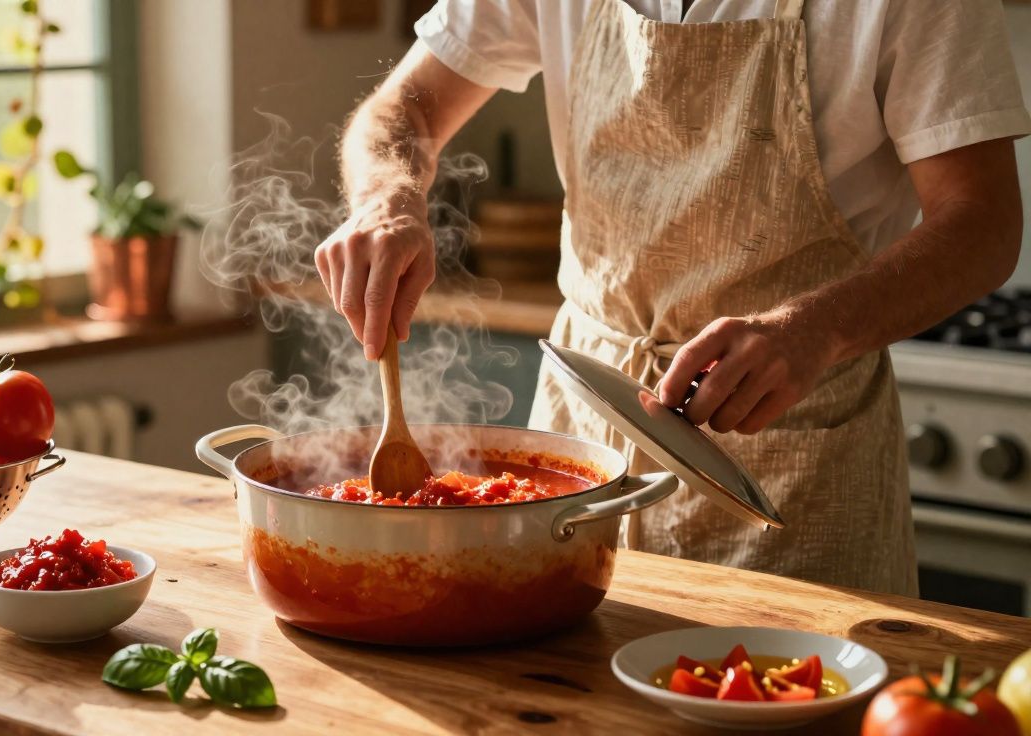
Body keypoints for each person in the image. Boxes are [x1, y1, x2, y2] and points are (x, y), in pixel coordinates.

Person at [313, 0, 1030, 594]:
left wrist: (814, 329)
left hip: (793, 455)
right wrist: (386, 197)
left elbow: (984, 223)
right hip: (587, 432)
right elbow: (402, 108)